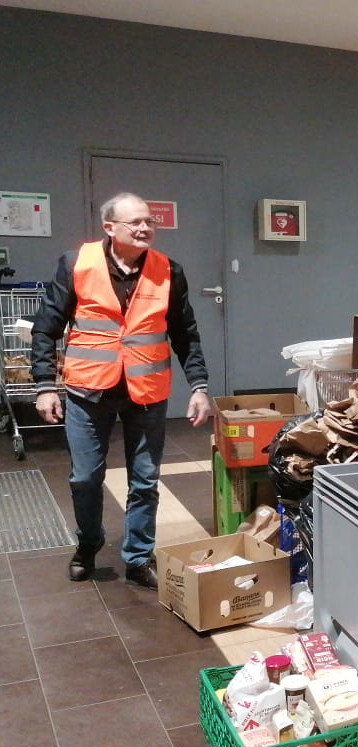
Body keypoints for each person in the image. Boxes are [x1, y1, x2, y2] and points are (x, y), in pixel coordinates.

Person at [32, 192, 212, 589]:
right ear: (110, 227)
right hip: (87, 390)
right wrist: (45, 386)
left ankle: (138, 556)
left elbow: (186, 335)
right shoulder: (76, 263)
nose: (145, 227)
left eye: (150, 221)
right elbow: (46, 327)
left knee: (145, 480)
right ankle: (88, 544)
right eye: (135, 222)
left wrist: (199, 385)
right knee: (85, 478)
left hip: (145, 391)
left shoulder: (170, 270)